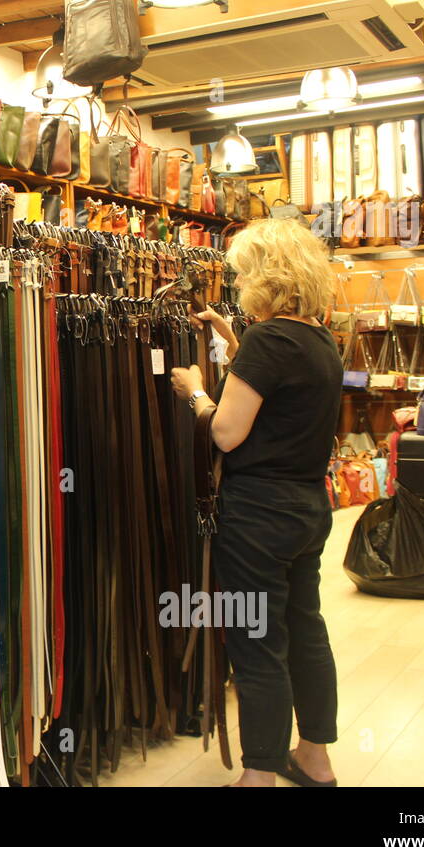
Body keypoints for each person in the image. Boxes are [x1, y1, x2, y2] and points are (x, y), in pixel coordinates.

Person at [170, 219, 343, 788]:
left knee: (257, 641)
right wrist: (229, 334)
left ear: (267, 276)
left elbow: (226, 432)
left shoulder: (270, 343)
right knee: (305, 629)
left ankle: (258, 776)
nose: (239, 282)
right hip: (306, 507)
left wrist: (195, 391)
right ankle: (314, 759)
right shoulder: (318, 339)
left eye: (244, 273)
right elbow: (278, 390)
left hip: (257, 514)